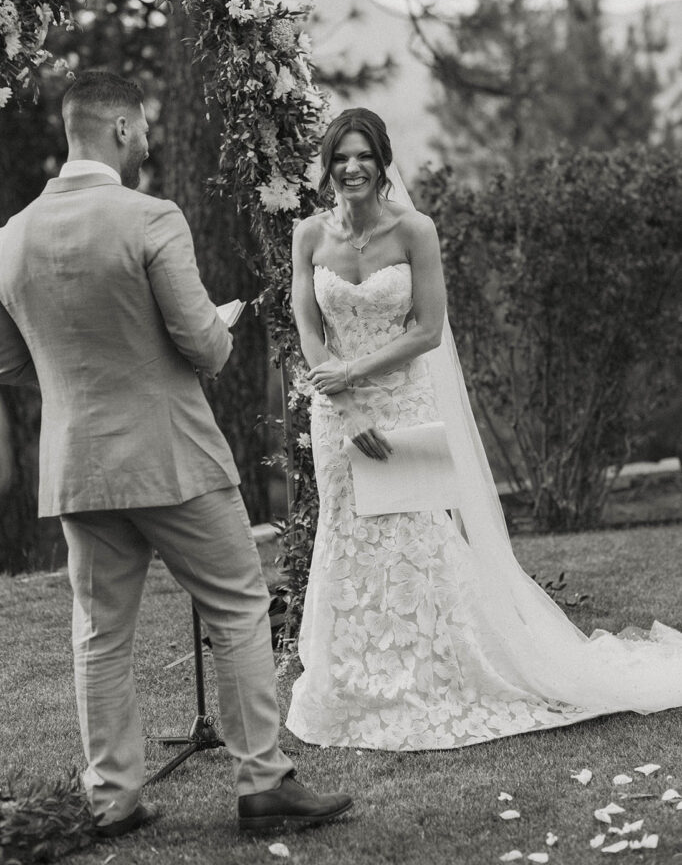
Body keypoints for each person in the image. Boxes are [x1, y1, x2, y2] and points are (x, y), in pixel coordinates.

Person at [0, 70, 352, 836]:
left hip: (79, 468)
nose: (149, 139)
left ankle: (111, 797)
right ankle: (263, 781)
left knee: (100, 633)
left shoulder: (11, 237)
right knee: (236, 608)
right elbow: (205, 346)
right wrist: (215, 329)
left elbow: (7, 364)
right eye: (145, 127)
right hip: (173, 458)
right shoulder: (151, 218)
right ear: (121, 129)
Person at [285, 106, 682, 751]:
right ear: (327, 165)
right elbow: (307, 324)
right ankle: (353, 681)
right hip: (337, 411)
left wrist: (357, 371)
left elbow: (427, 330)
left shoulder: (415, 230)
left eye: (363, 156)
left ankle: (433, 673)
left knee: (414, 540)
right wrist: (345, 399)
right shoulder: (308, 235)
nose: (351, 167)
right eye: (340, 157)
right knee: (347, 538)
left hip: (403, 404)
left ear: (383, 163)